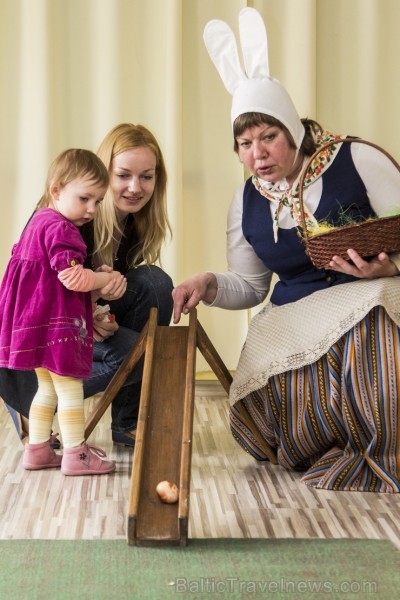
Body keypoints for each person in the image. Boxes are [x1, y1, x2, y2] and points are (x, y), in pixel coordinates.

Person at [172, 8, 400, 493]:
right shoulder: (246, 202)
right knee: (256, 428)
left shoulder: (356, 159)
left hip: (374, 297)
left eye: (269, 137)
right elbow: (252, 286)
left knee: (371, 328)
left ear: (292, 130)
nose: (257, 153)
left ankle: (380, 452)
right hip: (296, 311)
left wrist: (391, 266)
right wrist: (208, 283)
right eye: (245, 143)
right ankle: (323, 441)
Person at [0, 123, 174, 448]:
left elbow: (87, 289)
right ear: (102, 173)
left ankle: (126, 421)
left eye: (146, 176)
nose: (135, 187)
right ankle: (35, 401)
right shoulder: (63, 218)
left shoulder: (133, 221)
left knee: (155, 283)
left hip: (73, 317)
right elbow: (38, 295)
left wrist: (96, 309)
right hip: (40, 334)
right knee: (138, 353)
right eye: (123, 175)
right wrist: (92, 309)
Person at [0, 148, 126, 475]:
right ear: (57, 190)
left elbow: (52, 277)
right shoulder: (62, 229)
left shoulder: (40, 221)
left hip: (32, 324)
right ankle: (75, 454)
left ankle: (38, 449)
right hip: (56, 327)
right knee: (69, 388)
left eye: (98, 201)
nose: (92, 209)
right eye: (85, 198)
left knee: (46, 387)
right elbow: (72, 278)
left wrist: (94, 280)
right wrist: (104, 277)